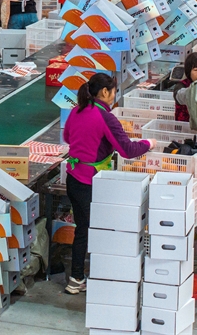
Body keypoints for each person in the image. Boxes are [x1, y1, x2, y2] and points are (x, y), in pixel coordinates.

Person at [62, 73, 156, 295]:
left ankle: (82, 275)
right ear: (105, 92)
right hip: (90, 182)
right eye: (114, 92)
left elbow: (67, 137)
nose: (114, 96)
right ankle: (79, 278)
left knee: (81, 229)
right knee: (91, 230)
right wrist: (149, 143)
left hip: (73, 178)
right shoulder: (106, 117)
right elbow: (127, 150)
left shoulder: (77, 110)